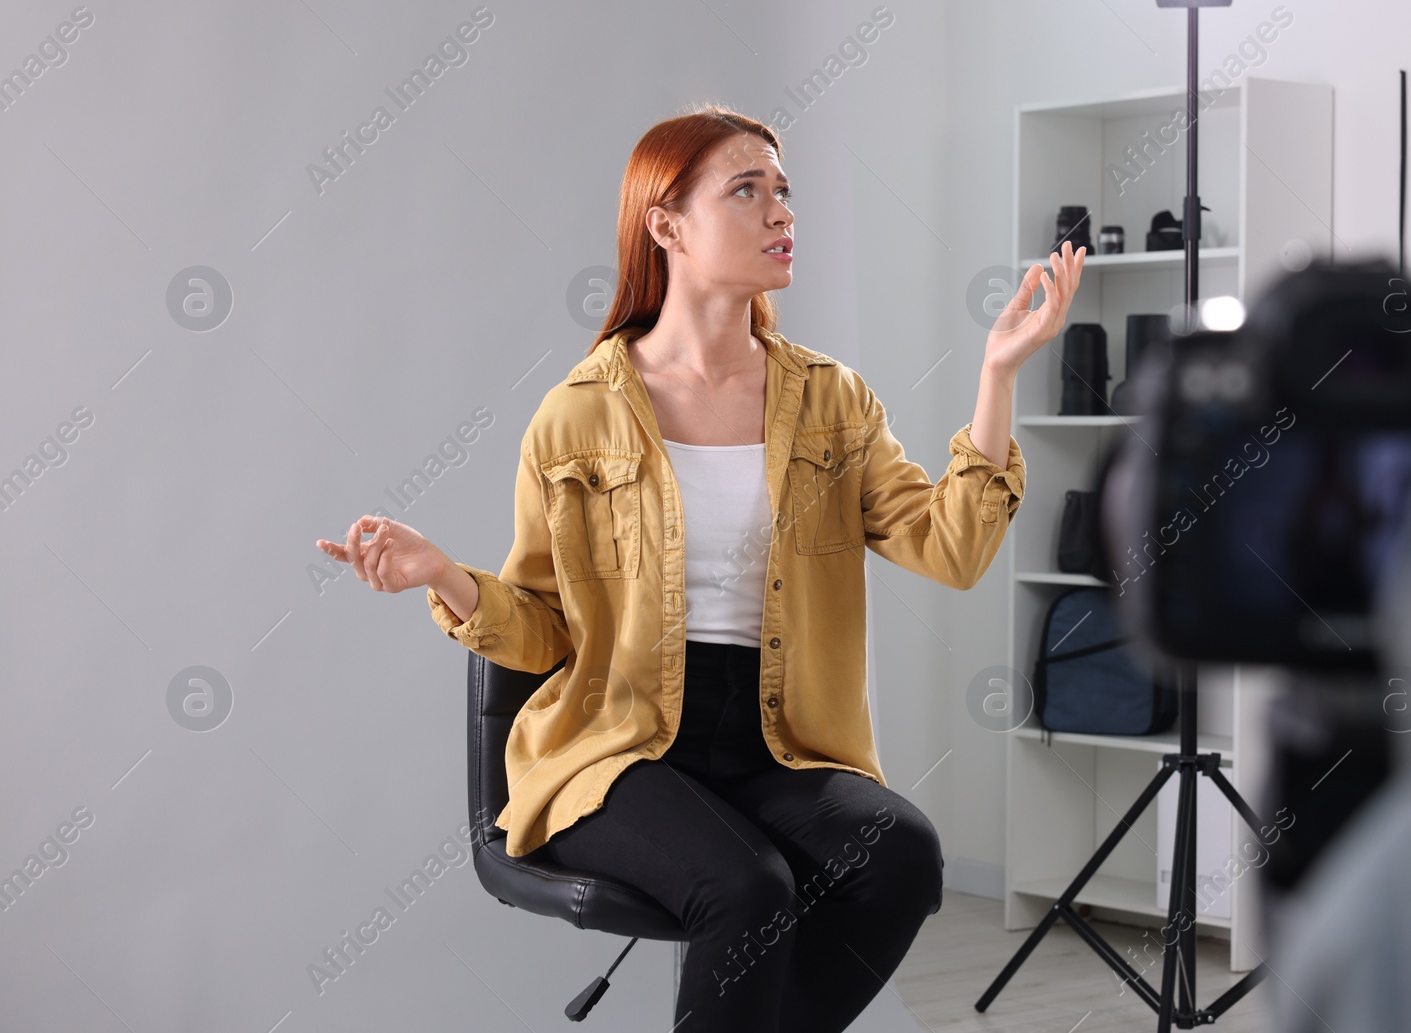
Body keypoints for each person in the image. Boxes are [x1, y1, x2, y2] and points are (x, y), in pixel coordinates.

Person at [316, 103, 1085, 1032]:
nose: (781, 213)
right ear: (666, 225)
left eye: (785, 191)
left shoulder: (831, 402)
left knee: (902, 857)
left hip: (779, 736)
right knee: (745, 887)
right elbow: (544, 627)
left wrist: (998, 376)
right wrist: (442, 573)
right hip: (620, 743)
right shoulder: (579, 415)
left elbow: (952, 548)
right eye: (748, 190)